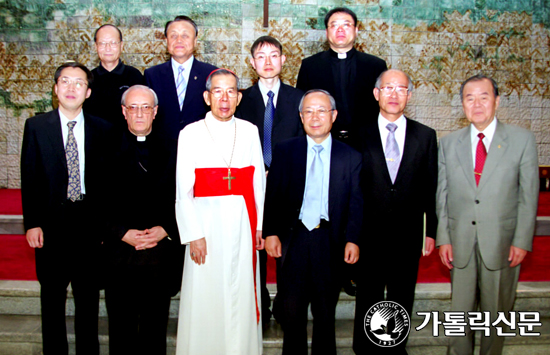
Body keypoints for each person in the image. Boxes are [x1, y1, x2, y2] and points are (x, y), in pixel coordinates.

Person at [436, 74, 539, 355]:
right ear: (462, 104)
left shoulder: (521, 140)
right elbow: (441, 196)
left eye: (484, 96)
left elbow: (528, 197)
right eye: (470, 98)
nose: (477, 104)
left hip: (503, 243)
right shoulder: (448, 143)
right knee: (461, 314)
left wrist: (522, 241)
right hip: (460, 243)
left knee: (496, 313)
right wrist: (444, 238)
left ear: (496, 100)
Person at [20, 61, 113, 355]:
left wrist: (105, 227)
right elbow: (30, 176)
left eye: (79, 83)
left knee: (87, 301)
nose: (72, 88)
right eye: (66, 81)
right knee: (51, 299)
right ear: (56, 88)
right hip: (50, 224)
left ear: (87, 92)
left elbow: (108, 184)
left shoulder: (103, 129)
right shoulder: (36, 126)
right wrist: (32, 222)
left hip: (89, 225)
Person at [263, 89, 362, 354]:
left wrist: (352, 239)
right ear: (300, 116)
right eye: (308, 111)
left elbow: (355, 203)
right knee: (291, 313)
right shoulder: (285, 151)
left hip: (329, 240)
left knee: (325, 314)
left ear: (334, 115)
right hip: (293, 239)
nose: (315, 117)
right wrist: (271, 232)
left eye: (321, 110)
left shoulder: (350, 156)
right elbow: (272, 195)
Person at [175, 69, 265, 355]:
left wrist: (260, 226)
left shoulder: (250, 130)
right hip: (206, 227)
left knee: (239, 293)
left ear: (238, 97)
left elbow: (258, 183)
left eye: (230, 92)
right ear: (207, 96)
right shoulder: (190, 133)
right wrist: (194, 235)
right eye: (217, 91)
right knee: (206, 295)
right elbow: (183, 189)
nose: (224, 98)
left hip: (242, 225)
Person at [352, 69, 438, 354]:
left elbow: (430, 188)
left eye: (401, 89)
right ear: (376, 94)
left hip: (408, 232)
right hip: (368, 231)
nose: (394, 94)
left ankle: (394, 346)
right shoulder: (358, 132)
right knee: (369, 294)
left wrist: (431, 233)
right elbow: (351, 186)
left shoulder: (425, 136)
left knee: (402, 294)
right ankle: (366, 347)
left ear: (409, 96)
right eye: (388, 88)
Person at [104, 85, 180, 355]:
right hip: (119, 254)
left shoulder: (174, 148)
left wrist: (166, 229)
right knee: (121, 335)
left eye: (145, 107)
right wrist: (121, 232)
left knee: (154, 333)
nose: (139, 113)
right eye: (133, 107)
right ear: (124, 112)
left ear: (155, 112)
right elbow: (96, 201)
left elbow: (184, 197)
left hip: (159, 256)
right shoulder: (104, 146)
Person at [236, 35, 304, 325]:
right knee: (256, 247)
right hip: (251, 186)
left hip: (288, 186)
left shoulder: (299, 99)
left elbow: (305, 141)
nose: (267, 61)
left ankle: (286, 307)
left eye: (273, 55)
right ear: (252, 63)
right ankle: (258, 306)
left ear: (283, 60)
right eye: (261, 56)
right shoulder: (241, 100)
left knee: (286, 250)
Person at [296, 7, 387, 148]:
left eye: (346, 24)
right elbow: (302, 108)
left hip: (367, 144)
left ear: (356, 30)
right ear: (327, 32)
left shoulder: (375, 66)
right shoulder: (310, 66)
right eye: (334, 25)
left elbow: (384, 108)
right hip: (324, 142)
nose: (340, 29)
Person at [145, 15, 217, 145]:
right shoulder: (152, 75)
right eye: (173, 36)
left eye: (185, 36)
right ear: (166, 41)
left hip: (202, 147)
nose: (179, 40)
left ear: (195, 41)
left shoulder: (211, 74)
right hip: (162, 150)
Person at [83, 24, 145, 130]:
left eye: (113, 43)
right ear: (95, 46)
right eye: (102, 43)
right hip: (96, 139)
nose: (108, 48)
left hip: (128, 141)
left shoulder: (134, 76)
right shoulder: (88, 78)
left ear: (121, 45)